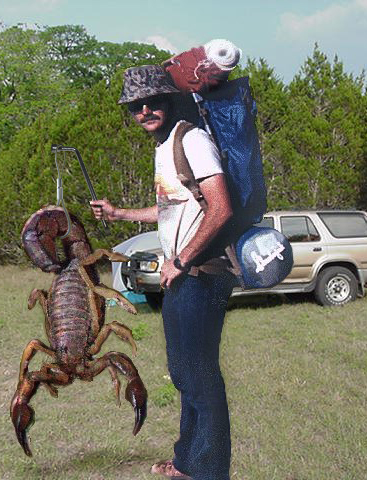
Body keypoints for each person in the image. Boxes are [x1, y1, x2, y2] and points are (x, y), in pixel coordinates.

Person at [91, 65, 235, 480]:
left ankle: (207, 471)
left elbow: (221, 207)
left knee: (199, 377)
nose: (146, 110)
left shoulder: (191, 139)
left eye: (153, 101)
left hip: (202, 273)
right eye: (137, 105)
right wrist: (121, 214)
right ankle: (188, 461)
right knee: (186, 375)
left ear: (169, 100)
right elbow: (174, 207)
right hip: (186, 274)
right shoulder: (165, 146)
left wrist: (183, 259)